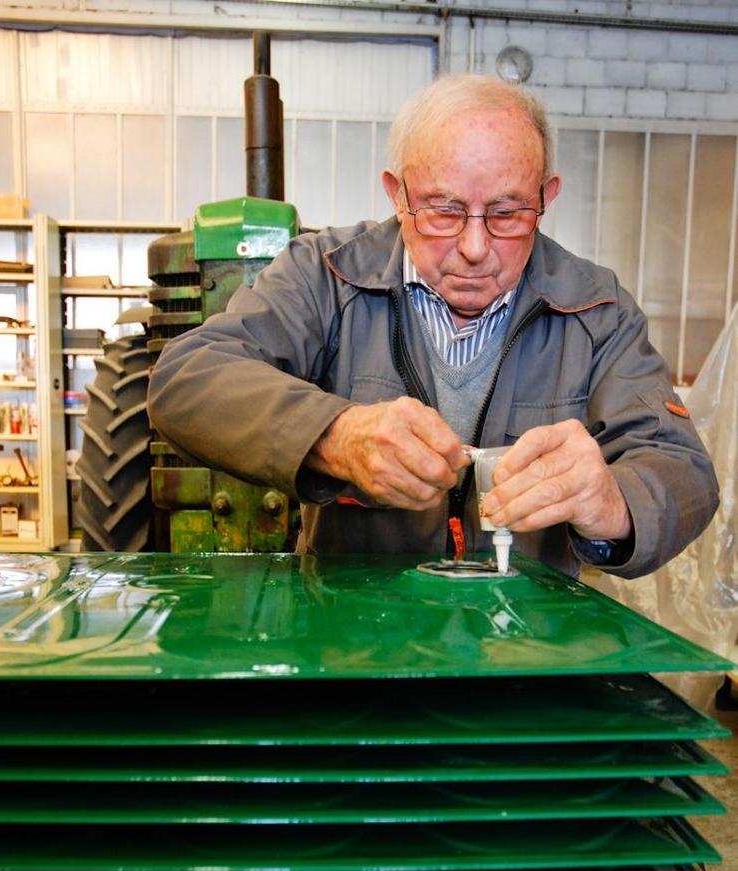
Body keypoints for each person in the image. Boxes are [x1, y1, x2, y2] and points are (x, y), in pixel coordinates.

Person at [147, 73, 718, 578]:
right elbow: (185, 380)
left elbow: (684, 471)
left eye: (507, 213)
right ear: (398, 194)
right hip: (355, 642)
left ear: (547, 197)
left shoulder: (597, 309)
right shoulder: (325, 276)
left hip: (526, 645)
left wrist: (612, 502)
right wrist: (333, 436)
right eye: (443, 210)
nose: (474, 248)